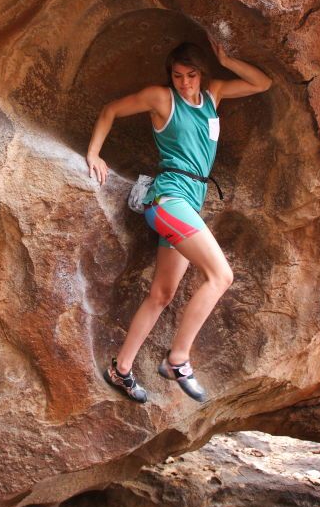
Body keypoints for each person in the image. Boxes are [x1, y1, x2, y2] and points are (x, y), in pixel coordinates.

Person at [86, 38, 272, 404]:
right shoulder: (161, 98)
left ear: (202, 74)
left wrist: (227, 58)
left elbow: (262, 83)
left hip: (190, 203)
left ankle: (120, 370)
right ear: (169, 76)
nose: (185, 82)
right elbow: (110, 110)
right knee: (221, 276)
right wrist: (95, 153)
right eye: (178, 75)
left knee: (162, 293)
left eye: (191, 75)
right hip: (168, 200)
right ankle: (178, 360)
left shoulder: (213, 95)